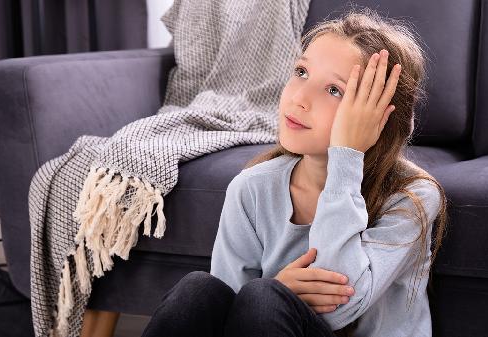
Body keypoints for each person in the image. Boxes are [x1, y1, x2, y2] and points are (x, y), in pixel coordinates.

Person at [141, 6, 448, 337]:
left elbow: (341, 308)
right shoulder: (252, 187)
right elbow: (223, 317)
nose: (300, 98)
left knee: (263, 296)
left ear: (378, 117)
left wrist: (347, 156)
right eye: (301, 72)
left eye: (334, 90)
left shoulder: (412, 198)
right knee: (199, 291)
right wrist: (279, 286)